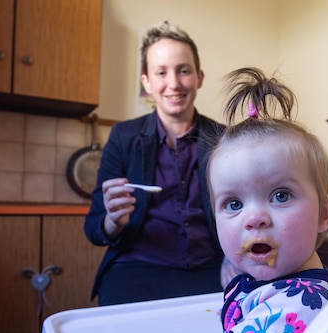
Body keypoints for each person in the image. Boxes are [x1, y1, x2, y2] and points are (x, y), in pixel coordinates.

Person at [90, 67, 328, 333]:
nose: (255, 217)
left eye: (280, 196)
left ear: (324, 213)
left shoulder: (297, 310)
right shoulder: (284, 290)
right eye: (233, 204)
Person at [84, 20, 228, 306]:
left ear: (199, 77)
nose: (173, 84)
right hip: (135, 269)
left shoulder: (224, 139)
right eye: (161, 73)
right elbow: (94, 228)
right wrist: (113, 221)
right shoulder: (123, 137)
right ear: (146, 82)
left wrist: (235, 260)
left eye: (183, 71)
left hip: (211, 270)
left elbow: (241, 211)